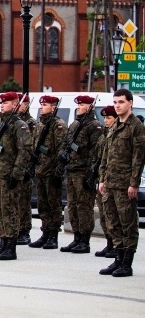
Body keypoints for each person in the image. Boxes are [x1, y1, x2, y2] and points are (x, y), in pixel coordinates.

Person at [98, 89, 145, 277]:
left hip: (125, 184)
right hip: (110, 183)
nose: (117, 105)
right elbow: (105, 155)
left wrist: (134, 184)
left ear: (130, 103)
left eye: (121, 102)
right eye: (115, 102)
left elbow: (138, 158)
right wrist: (102, 179)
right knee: (113, 223)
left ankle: (127, 263)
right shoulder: (113, 125)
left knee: (128, 224)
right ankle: (117, 258)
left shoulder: (136, 127)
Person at [0, 91, 32, 260]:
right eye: (1, 103)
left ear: (15, 104)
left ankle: (10, 245)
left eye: (6, 103)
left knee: (9, 209)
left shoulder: (19, 125)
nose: (2, 105)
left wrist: (17, 174)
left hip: (7, 174)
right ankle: (2, 242)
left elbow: (25, 150)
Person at [59, 95, 103, 254]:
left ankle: (84, 240)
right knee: (72, 206)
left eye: (82, 104)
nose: (79, 107)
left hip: (83, 172)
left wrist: (90, 174)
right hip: (71, 170)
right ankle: (76, 237)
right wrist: (63, 156)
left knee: (84, 207)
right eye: (78, 104)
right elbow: (66, 143)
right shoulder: (75, 124)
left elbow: (95, 153)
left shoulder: (94, 126)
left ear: (90, 106)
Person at [28, 95, 67, 249]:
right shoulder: (39, 126)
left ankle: (53, 235)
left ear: (54, 107)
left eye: (45, 105)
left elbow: (61, 151)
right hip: (40, 171)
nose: (42, 107)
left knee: (53, 204)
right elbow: (34, 146)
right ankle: (45, 233)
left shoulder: (59, 126)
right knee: (42, 204)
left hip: (52, 172)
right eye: (41, 105)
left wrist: (58, 172)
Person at [94, 105, 117, 258]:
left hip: (113, 180)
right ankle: (109, 243)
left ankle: (116, 245)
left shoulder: (116, 135)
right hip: (101, 178)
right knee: (104, 215)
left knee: (113, 216)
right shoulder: (104, 135)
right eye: (105, 118)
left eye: (109, 118)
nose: (106, 120)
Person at [15, 94, 39, 245]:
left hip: (25, 168)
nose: (19, 106)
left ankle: (25, 231)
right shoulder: (13, 122)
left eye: (21, 103)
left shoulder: (30, 123)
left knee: (23, 202)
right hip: (13, 168)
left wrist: (28, 168)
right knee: (14, 202)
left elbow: (31, 148)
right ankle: (16, 229)